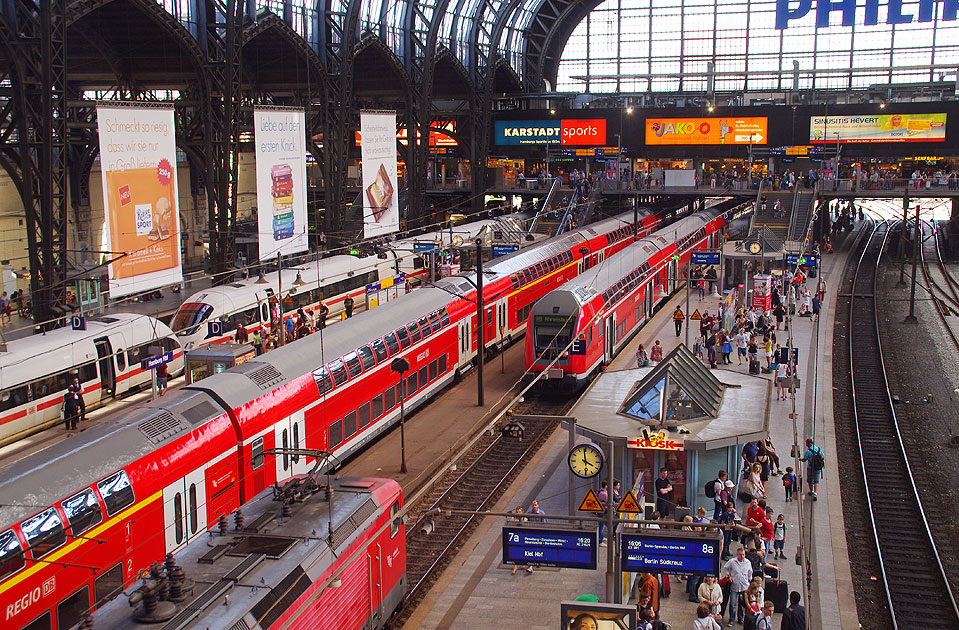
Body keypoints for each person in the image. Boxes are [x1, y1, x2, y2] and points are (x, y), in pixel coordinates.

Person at [722, 547, 753, 627]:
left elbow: (750, 572)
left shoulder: (748, 562)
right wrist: (729, 576)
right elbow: (725, 568)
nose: (742, 556)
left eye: (743, 555)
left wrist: (749, 581)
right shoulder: (732, 562)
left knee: (742, 604)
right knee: (733, 604)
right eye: (740, 555)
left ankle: (740, 619)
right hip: (735, 586)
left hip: (744, 587)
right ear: (737, 555)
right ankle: (731, 619)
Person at [508, 507, 531, 575]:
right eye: (517, 512)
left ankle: (523, 563)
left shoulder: (525, 519)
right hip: (515, 537)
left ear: (522, 512)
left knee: (524, 550)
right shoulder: (513, 519)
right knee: (515, 552)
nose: (518, 513)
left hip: (523, 536)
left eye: (519, 512)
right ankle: (515, 567)